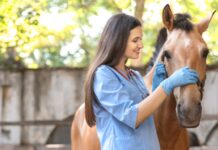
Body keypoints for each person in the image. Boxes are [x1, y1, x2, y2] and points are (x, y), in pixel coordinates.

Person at [84, 13, 199, 150]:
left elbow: (146, 112)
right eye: (135, 40)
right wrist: (168, 84)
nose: (141, 45)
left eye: (141, 39)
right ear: (118, 40)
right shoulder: (103, 75)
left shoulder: (134, 75)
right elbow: (132, 117)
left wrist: (156, 87)